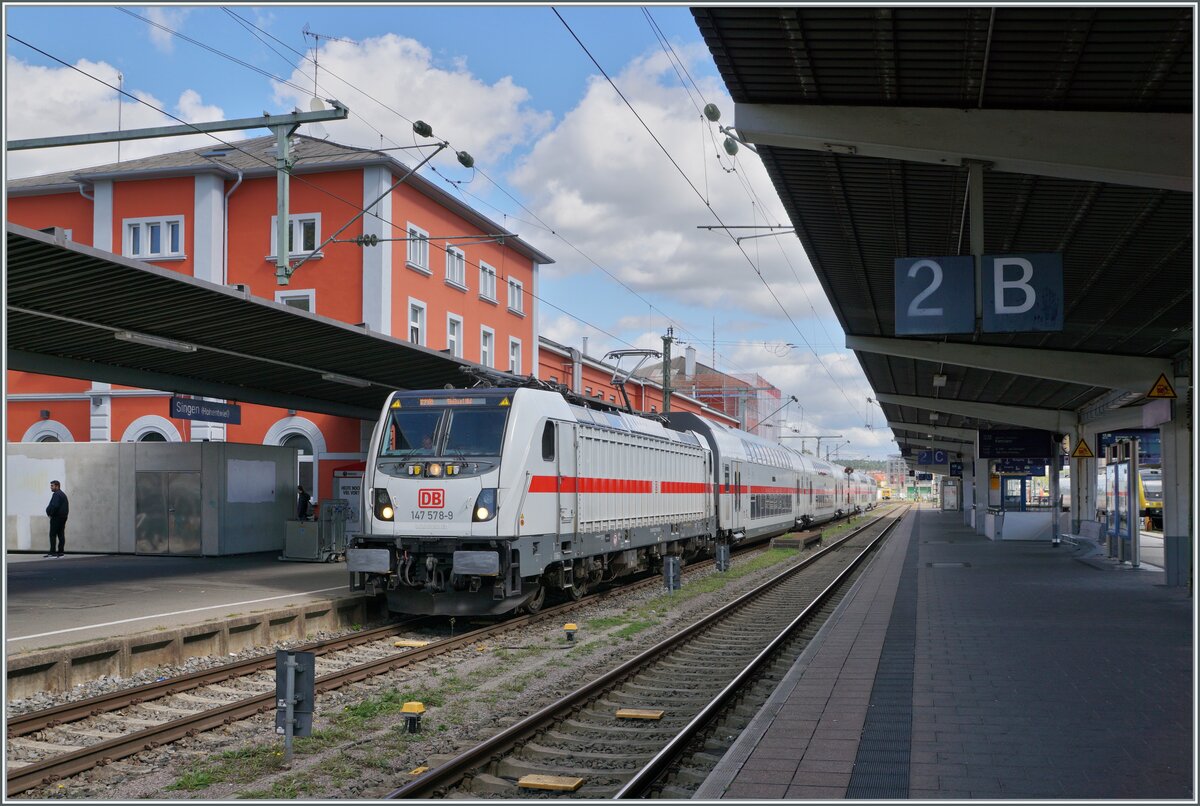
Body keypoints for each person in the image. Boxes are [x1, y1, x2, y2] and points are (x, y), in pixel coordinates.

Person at [45, 480, 69, 557]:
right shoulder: (62, 494)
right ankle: (61, 552)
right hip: (62, 517)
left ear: (57, 486)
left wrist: (50, 514)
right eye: (51, 485)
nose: (51, 487)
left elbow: (54, 506)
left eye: (52, 486)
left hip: (56, 517)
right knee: (61, 534)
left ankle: (52, 552)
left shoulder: (57, 494)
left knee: (52, 534)